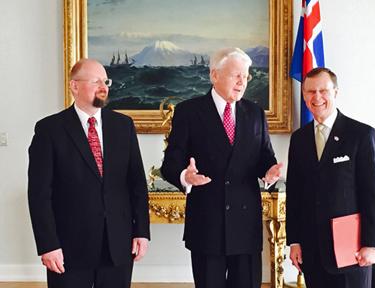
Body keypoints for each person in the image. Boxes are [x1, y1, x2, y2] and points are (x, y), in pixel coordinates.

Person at [161, 47, 283, 288]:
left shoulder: (255, 113)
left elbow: (264, 157)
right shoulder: (188, 111)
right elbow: (170, 164)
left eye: (246, 76)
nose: (242, 82)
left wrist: (269, 172)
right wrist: (186, 176)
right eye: (235, 75)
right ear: (214, 75)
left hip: (246, 226)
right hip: (207, 225)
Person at [28, 59, 150, 288]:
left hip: (118, 245)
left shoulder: (123, 125)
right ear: (74, 86)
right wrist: (48, 245)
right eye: (96, 81)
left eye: (106, 81)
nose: (103, 87)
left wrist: (141, 232)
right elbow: (39, 195)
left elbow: (137, 185)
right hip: (69, 249)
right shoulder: (49, 130)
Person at [285, 67, 375, 288]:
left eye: (323, 90)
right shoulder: (299, 139)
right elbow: (294, 194)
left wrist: (372, 244)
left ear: (336, 92)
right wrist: (294, 241)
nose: (317, 97)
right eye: (310, 91)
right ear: (303, 95)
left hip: (351, 250)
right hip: (312, 251)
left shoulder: (361, 134)